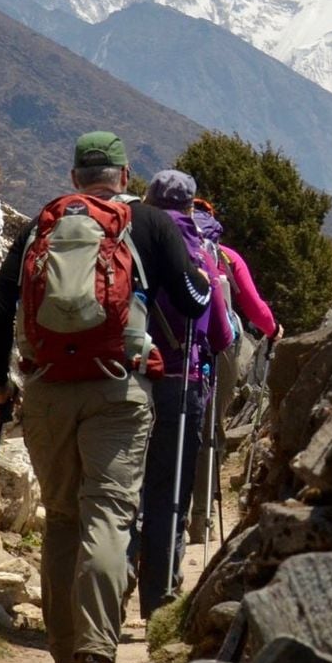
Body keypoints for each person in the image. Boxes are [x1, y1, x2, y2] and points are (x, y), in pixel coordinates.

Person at [0, 132, 212, 663]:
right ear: (125, 175)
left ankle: (62, 646)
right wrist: (205, 283)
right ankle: (94, 657)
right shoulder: (151, 224)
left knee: (60, 515)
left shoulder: (45, 223)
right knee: (107, 515)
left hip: (47, 390)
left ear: (76, 174)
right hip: (118, 389)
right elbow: (192, 300)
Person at [128, 169, 228, 618]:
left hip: (128, 378)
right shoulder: (203, 254)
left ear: (147, 198)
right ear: (192, 207)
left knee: (127, 488)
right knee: (169, 494)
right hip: (182, 384)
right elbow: (222, 333)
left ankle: (118, 578)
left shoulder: (130, 241)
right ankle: (159, 599)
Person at [185, 194, 282, 544]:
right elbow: (255, 306)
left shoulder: (166, 243)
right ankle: (201, 518)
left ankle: (164, 512)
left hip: (175, 346)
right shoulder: (225, 256)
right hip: (222, 344)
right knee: (211, 426)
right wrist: (273, 331)